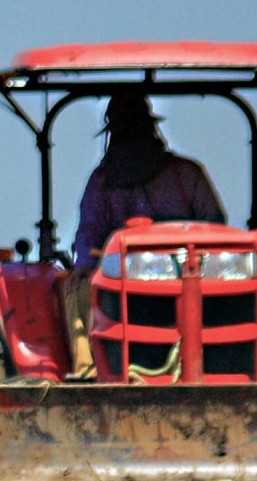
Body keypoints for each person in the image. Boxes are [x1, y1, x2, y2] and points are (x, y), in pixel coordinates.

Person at [63, 93, 227, 377]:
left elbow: (215, 226)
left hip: (188, 274)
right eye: (123, 131)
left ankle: (228, 359)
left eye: (134, 128)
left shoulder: (186, 175)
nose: (130, 138)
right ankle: (89, 370)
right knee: (77, 288)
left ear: (150, 130)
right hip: (117, 279)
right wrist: (86, 266)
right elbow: (88, 233)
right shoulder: (102, 183)